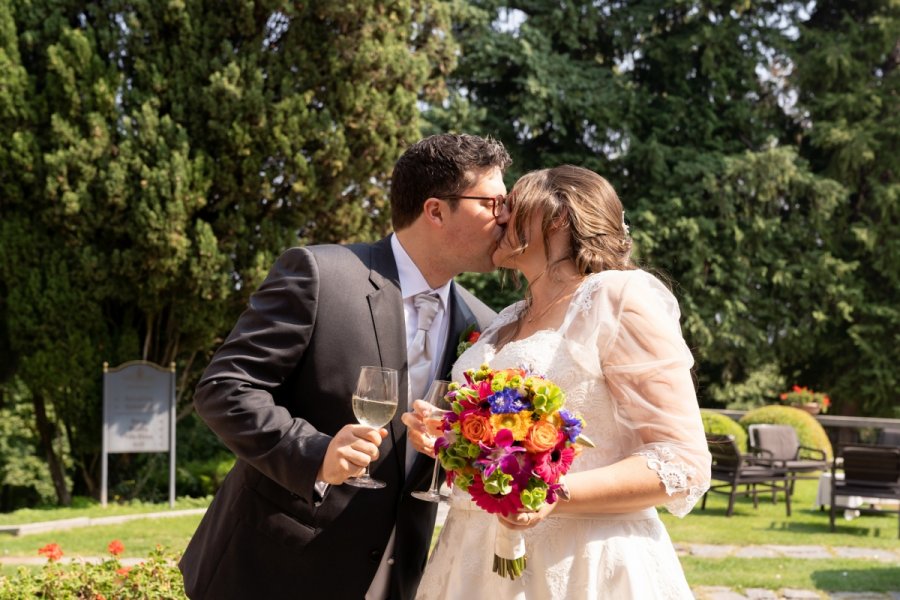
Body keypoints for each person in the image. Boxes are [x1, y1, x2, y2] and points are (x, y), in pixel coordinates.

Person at [178, 133, 512, 599]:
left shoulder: (483, 324)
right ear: (436, 210)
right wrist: (315, 453)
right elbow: (224, 389)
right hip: (274, 569)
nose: (506, 217)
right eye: (493, 203)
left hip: (396, 576)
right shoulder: (321, 273)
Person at [407, 165, 711, 599]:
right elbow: (503, 440)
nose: (500, 218)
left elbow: (682, 462)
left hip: (580, 562)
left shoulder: (616, 298)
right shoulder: (504, 320)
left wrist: (551, 493)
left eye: (512, 207)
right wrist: (452, 435)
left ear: (558, 219)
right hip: (471, 556)